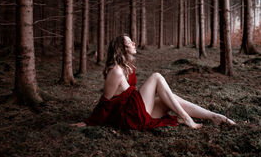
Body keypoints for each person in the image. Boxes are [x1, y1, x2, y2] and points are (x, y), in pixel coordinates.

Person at [72, 34, 236, 130]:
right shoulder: (115, 71)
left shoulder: (127, 66)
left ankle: (213, 116)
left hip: (133, 108)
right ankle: (186, 118)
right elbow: (105, 103)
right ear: (121, 48)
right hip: (129, 116)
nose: (134, 43)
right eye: (130, 42)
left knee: (171, 98)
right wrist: (88, 122)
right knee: (157, 77)